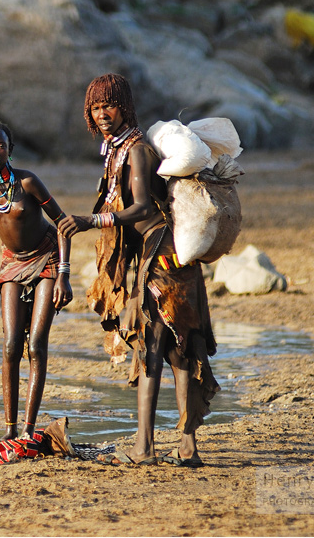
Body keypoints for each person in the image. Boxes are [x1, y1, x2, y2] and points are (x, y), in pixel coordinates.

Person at [58, 74, 219, 468]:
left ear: (125, 107)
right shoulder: (116, 150)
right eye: (95, 108)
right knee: (168, 348)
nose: (102, 114)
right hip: (153, 260)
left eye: (109, 106)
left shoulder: (137, 152)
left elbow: (144, 209)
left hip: (165, 262)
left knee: (165, 348)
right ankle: (181, 447)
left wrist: (90, 220)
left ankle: (152, 448)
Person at [0, 120, 73, 450]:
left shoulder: (27, 182)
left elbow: (63, 223)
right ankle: (9, 430)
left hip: (47, 258)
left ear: (10, 149)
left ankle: (28, 428)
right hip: (12, 263)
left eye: (0, 146)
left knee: (36, 344)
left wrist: (64, 274)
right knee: (10, 345)